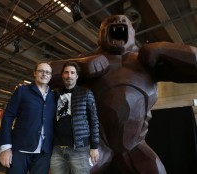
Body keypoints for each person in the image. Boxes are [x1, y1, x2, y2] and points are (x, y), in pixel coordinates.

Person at [49, 15, 197, 174]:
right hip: (97, 142)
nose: (118, 20)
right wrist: (81, 65)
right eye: (109, 22)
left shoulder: (146, 62)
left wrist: (162, 48)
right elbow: (47, 74)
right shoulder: (87, 62)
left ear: (133, 33)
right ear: (100, 37)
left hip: (134, 143)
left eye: (125, 22)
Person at [0, 62, 57, 174]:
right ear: (34, 73)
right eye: (41, 71)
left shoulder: (54, 96)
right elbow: (8, 117)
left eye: (48, 72)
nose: (44, 74)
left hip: (44, 153)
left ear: (50, 76)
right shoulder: (22, 91)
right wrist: (5, 148)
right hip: (19, 149)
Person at [50, 61, 99, 174]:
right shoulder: (54, 94)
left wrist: (94, 147)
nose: (69, 75)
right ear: (62, 75)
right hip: (57, 149)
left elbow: (94, 121)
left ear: (77, 76)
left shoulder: (86, 93)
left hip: (79, 149)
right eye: (66, 72)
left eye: (72, 73)